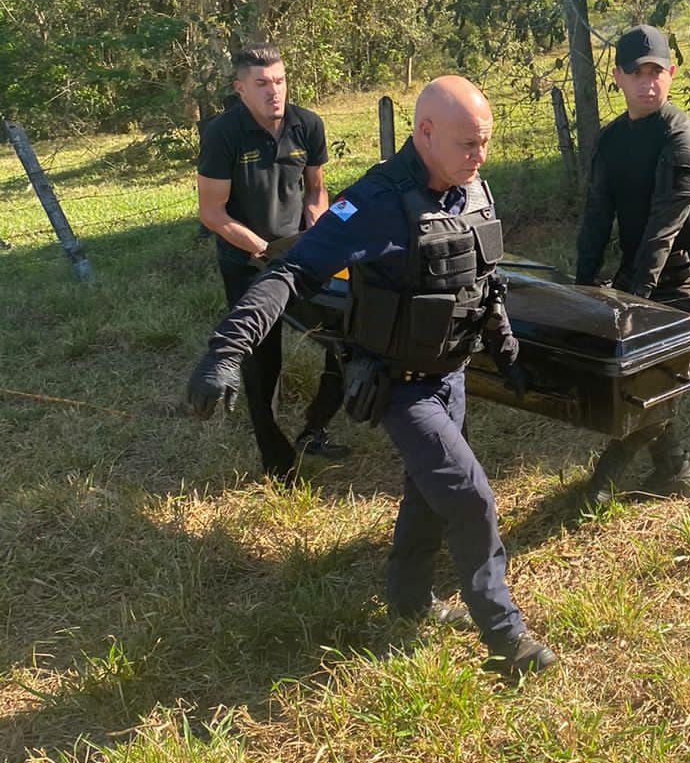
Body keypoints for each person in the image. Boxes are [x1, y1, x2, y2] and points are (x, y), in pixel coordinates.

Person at [186, 75, 557, 680]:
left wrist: (505, 346)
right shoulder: (376, 201)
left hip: (451, 373)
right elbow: (290, 272)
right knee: (468, 495)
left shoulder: (469, 186)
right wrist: (226, 351)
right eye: (468, 143)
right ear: (425, 133)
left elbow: (482, 278)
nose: (480, 156)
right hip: (398, 383)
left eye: (485, 143)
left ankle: (409, 601)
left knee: (429, 492)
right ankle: (505, 635)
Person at [575, 23, 690, 501]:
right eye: (637, 72)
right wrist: (582, 289)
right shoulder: (612, 141)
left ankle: (606, 476)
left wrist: (634, 300)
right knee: (645, 375)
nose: (647, 81)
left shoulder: (683, 138)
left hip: (687, 273)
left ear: (671, 74)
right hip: (639, 270)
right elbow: (597, 215)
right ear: (617, 76)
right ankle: (677, 474)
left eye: (656, 71)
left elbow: (664, 226)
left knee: (654, 373)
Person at [197, 43, 347, 480]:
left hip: (301, 255)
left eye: (279, 81)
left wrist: (318, 230)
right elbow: (212, 212)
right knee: (263, 359)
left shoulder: (307, 125)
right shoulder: (223, 134)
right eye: (261, 84)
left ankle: (314, 427)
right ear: (240, 88)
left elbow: (315, 190)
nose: (273, 91)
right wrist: (260, 249)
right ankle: (275, 457)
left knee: (345, 336)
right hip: (247, 261)